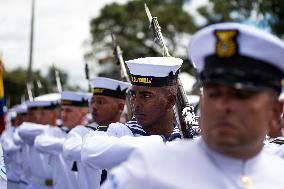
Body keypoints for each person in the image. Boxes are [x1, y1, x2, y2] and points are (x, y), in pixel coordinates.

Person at [101, 22, 284, 189]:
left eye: (240, 96)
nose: (222, 106)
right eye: (213, 94)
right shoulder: (147, 171)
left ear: (275, 111)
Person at [80, 57, 183, 189]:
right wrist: (158, 143)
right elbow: (89, 151)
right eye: (133, 95)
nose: (136, 104)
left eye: (146, 96)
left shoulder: (188, 138)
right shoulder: (119, 132)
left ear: (170, 101)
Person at [62, 77, 130, 189]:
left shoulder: (128, 132)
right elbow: (69, 150)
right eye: (92, 101)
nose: (93, 106)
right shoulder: (81, 132)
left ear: (120, 107)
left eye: (100, 101)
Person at [34, 91, 90, 189]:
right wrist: (71, 145)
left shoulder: (92, 134)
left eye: (68, 110)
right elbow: (39, 143)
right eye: (62, 110)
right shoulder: (55, 132)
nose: (63, 114)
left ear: (84, 113)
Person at [18, 94, 60, 189]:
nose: (38, 117)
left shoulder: (63, 131)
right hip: (37, 185)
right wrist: (51, 129)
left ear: (54, 114)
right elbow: (22, 130)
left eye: (43, 114)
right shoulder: (33, 131)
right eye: (38, 113)